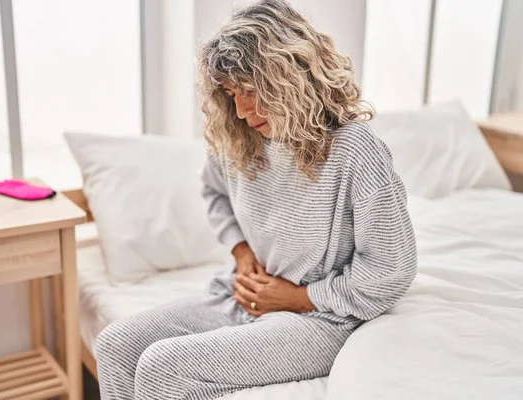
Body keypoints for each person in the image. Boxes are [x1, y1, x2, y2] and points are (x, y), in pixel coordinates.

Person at [95, 1, 418, 399]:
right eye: (232, 93)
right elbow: (214, 192)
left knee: (164, 368)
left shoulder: (354, 150)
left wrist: (298, 297)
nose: (243, 111)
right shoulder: (240, 140)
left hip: (325, 317)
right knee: (116, 345)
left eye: (251, 90)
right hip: (248, 294)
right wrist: (242, 250)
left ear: (292, 77)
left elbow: (391, 269)